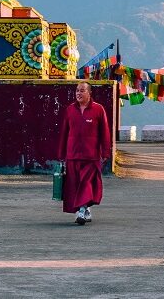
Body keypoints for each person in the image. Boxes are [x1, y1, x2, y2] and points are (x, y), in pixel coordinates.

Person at [58, 81, 112, 225]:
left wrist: (105, 152)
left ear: (89, 93)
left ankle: (81, 210)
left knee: (86, 183)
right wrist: (61, 153)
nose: (78, 93)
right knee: (74, 184)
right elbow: (65, 132)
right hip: (73, 154)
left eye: (82, 91)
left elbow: (105, 133)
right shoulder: (70, 110)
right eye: (77, 91)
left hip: (91, 155)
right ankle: (86, 210)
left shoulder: (98, 110)